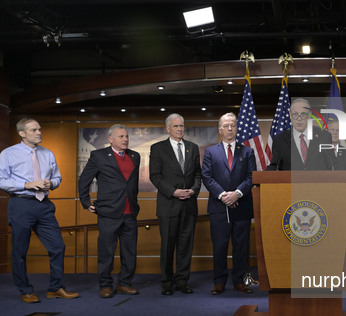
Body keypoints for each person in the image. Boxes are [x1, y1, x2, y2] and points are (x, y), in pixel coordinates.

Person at [0, 118, 79, 303]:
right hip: (21, 204)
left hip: (44, 205)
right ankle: (25, 290)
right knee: (20, 251)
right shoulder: (8, 154)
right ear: (22, 133)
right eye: (34, 130)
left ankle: (55, 288)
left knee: (58, 246)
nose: (39, 133)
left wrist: (51, 183)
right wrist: (26, 184)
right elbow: (2, 181)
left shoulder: (48, 154)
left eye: (39, 129)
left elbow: (58, 178)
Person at [78, 124, 140, 298]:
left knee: (129, 252)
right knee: (106, 252)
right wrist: (85, 201)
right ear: (110, 139)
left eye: (126, 136)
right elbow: (84, 180)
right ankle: (105, 285)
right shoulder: (98, 156)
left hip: (130, 213)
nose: (125, 139)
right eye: (121, 136)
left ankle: (124, 284)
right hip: (108, 213)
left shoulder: (135, 156)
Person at [202, 113, 256, 295]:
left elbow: (251, 177)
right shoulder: (210, 152)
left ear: (237, 128)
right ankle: (219, 282)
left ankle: (239, 281)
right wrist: (223, 195)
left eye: (233, 125)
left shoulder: (248, 151)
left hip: (242, 204)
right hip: (219, 206)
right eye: (226, 126)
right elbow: (207, 177)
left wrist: (237, 194)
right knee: (219, 245)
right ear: (220, 130)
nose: (230, 128)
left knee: (241, 246)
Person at [149, 113, 202, 295]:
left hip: (189, 204)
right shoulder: (158, 148)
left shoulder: (192, 148)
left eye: (182, 126)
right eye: (176, 126)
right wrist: (173, 191)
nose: (180, 129)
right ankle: (166, 282)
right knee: (168, 246)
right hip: (168, 205)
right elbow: (155, 176)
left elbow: (197, 174)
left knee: (185, 246)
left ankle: (182, 281)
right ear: (168, 129)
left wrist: (194, 190)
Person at [267, 98, 332, 171]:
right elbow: (274, 166)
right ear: (290, 115)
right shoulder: (279, 140)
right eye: (295, 114)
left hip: (318, 181)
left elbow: (331, 164)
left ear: (309, 115)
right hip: (289, 182)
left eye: (303, 114)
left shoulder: (324, 136)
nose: (299, 118)